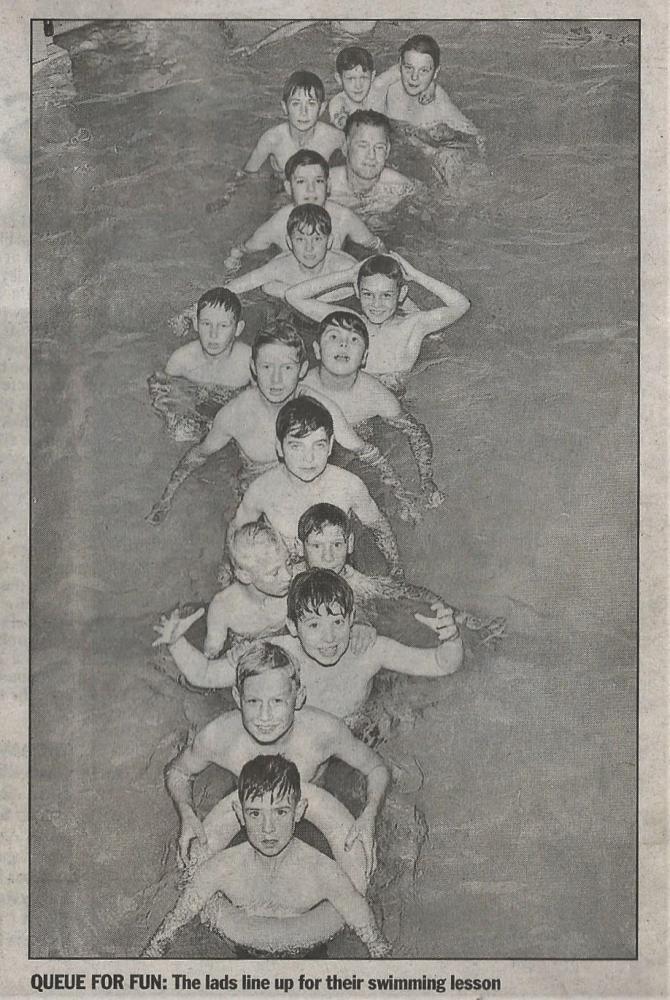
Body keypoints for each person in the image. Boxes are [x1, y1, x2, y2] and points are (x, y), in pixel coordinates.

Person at [146, 324, 417, 525]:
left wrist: (402, 494)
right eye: (267, 367)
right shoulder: (236, 414)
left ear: (301, 370)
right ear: (253, 368)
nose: (276, 380)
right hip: (258, 493)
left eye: (286, 368)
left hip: (312, 488)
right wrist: (166, 498)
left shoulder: (321, 408)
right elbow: (199, 454)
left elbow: (364, 450)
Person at [164, 641, 389, 879]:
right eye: (253, 702)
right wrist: (187, 814)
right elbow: (178, 771)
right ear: (237, 698)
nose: (264, 716)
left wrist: (370, 813)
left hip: (315, 803)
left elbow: (375, 768)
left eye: (277, 702)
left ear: (299, 698)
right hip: (250, 812)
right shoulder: (219, 737)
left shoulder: (324, 733)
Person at [141, 755, 390, 959]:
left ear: (299, 811)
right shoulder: (220, 870)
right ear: (239, 814)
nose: (268, 828)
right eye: (255, 813)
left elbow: (369, 933)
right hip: (240, 951)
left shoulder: (324, 873)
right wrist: (152, 952)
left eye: (280, 812)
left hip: (310, 955)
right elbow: (173, 924)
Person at [154, 569, 463, 723]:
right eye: (314, 625)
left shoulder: (369, 650)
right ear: (292, 627)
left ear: (352, 619)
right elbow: (205, 675)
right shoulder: (278, 653)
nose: (329, 638)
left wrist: (450, 638)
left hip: (356, 729)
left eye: (338, 623)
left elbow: (441, 664)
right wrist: (176, 643)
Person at [231, 396, 403, 570]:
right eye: (296, 446)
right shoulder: (262, 491)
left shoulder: (349, 486)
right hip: (285, 571)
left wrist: (396, 570)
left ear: (330, 446)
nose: (309, 458)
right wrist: (228, 571)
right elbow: (236, 535)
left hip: (336, 569)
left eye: (318, 445)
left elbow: (379, 528)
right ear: (279, 447)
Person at [303, 311, 444, 507]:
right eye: (333, 337)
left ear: (364, 357)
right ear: (317, 350)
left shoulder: (375, 395)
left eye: (354, 340)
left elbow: (415, 432)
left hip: (359, 443)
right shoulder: (300, 389)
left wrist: (426, 479)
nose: (343, 344)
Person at [286, 251, 470, 390]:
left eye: (386, 295)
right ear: (357, 292)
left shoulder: (413, 326)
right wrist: (348, 274)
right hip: (356, 394)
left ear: (401, 294)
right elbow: (293, 296)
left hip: (398, 397)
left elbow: (461, 305)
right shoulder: (349, 323)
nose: (376, 304)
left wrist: (415, 275)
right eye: (368, 294)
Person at [224, 150, 382, 273]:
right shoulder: (277, 225)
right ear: (288, 188)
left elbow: (376, 246)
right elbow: (242, 250)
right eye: (301, 182)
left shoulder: (344, 217)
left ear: (328, 186)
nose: (311, 190)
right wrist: (231, 267)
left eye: (318, 181)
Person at [148, 288, 250, 442]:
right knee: (178, 433)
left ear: (238, 329)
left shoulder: (249, 362)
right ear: (196, 324)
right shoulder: (180, 361)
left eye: (223, 326)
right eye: (206, 323)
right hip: (198, 406)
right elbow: (162, 397)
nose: (213, 334)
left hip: (233, 412)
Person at [224, 205, 357, 301]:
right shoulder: (281, 267)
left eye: (317, 239)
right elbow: (236, 286)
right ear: (289, 242)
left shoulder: (345, 268)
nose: (308, 248)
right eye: (300, 239)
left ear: (329, 242)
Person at [369, 33, 480, 135]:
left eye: (423, 71)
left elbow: (475, 135)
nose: (414, 77)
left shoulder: (439, 103)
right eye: (409, 68)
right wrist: (429, 82)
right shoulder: (387, 87)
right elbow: (376, 88)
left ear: (435, 72)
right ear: (400, 65)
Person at [243, 71, 344, 177]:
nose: (303, 112)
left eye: (311, 103)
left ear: (322, 108)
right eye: (296, 103)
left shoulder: (335, 138)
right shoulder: (271, 140)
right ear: (285, 108)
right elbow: (247, 177)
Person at [327, 110, 416, 215]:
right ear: (345, 147)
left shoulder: (401, 188)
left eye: (379, 147)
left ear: (387, 151)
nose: (371, 156)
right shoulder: (324, 186)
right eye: (363, 146)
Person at [328, 46, 376, 130]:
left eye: (364, 78)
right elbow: (341, 123)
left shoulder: (374, 92)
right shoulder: (339, 103)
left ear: (372, 77)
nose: (358, 86)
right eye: (351, 79)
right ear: (339, 79)